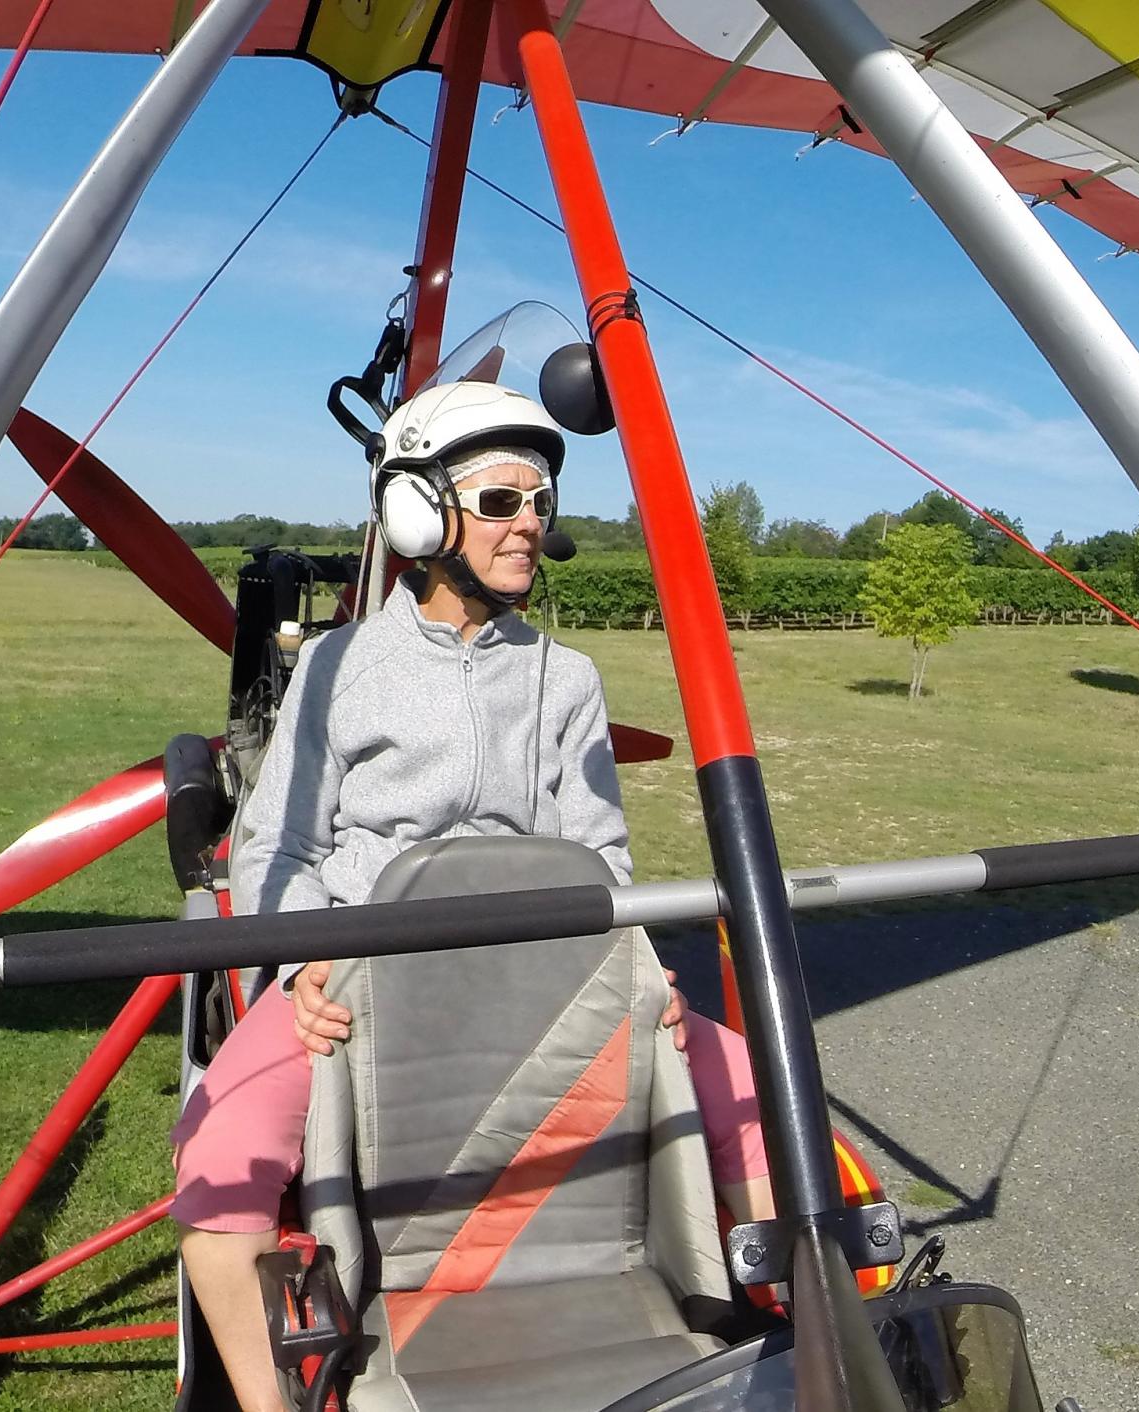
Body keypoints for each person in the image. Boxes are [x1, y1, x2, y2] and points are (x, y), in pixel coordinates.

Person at [171, 381, 770, 1411]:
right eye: (503, 501)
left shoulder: (568, 679)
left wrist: (639, 971)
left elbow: (599, 854)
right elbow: (277, 845)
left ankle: (789, 1359)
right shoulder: (337, 666)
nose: (531, 522)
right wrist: (303, 964)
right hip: (358, 978)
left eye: (540, 501)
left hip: (537, 984)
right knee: (217, 1163)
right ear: (419, 513)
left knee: (767, 1095)